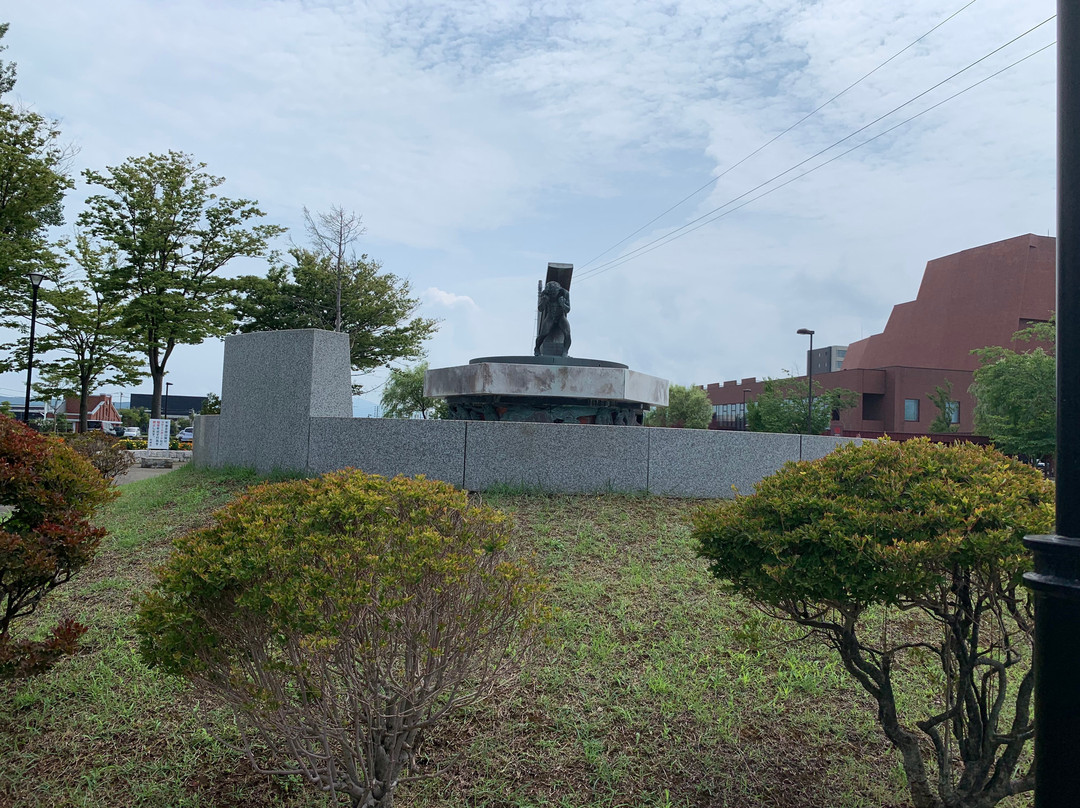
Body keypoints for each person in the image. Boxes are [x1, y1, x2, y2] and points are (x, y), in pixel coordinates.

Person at [534, 281, 571, 356]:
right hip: (550, 316)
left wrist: (563, 304)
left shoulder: (564, 293)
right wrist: (544, 302)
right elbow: (540, 309)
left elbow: (568, 309)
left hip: (561, 316)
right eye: (551, 293)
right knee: (543, 334)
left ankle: (565, 351)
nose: (553, 295)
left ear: (558, 290)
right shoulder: (545, 294)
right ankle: (537, 348)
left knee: (567, 333)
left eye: (554, 293)